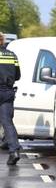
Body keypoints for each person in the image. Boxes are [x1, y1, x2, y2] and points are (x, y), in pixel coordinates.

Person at [0, 32, 21, 165]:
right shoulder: (12, 55)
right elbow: (18, 75)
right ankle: (14, 151)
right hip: (7, 92)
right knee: (7, 122)